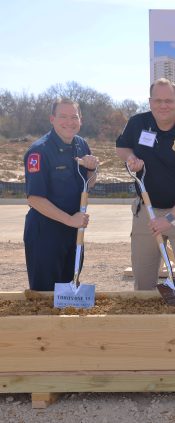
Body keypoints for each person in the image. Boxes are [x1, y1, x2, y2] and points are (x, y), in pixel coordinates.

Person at [116, 78, 175, 291]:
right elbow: (121, 148)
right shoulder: (137, 123)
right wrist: (131, 157)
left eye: (168, 101)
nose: (163, 106)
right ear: (150, 102)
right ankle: (150, 324)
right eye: (158, 101)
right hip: (146, 213)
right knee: (143, 284)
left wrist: (170, 219)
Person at [23, 98, 99, 291]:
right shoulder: (39, 152)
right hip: (45, 231)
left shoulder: (82, 145)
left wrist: (91, 169)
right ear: (52, 119)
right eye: (63, 116)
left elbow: (88, 184)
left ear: (80, 120)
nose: (69, 122)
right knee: (45, 293)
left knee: (69, 290)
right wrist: (70, 220)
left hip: (74, 229)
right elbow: (34, 198)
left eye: (74, 117)